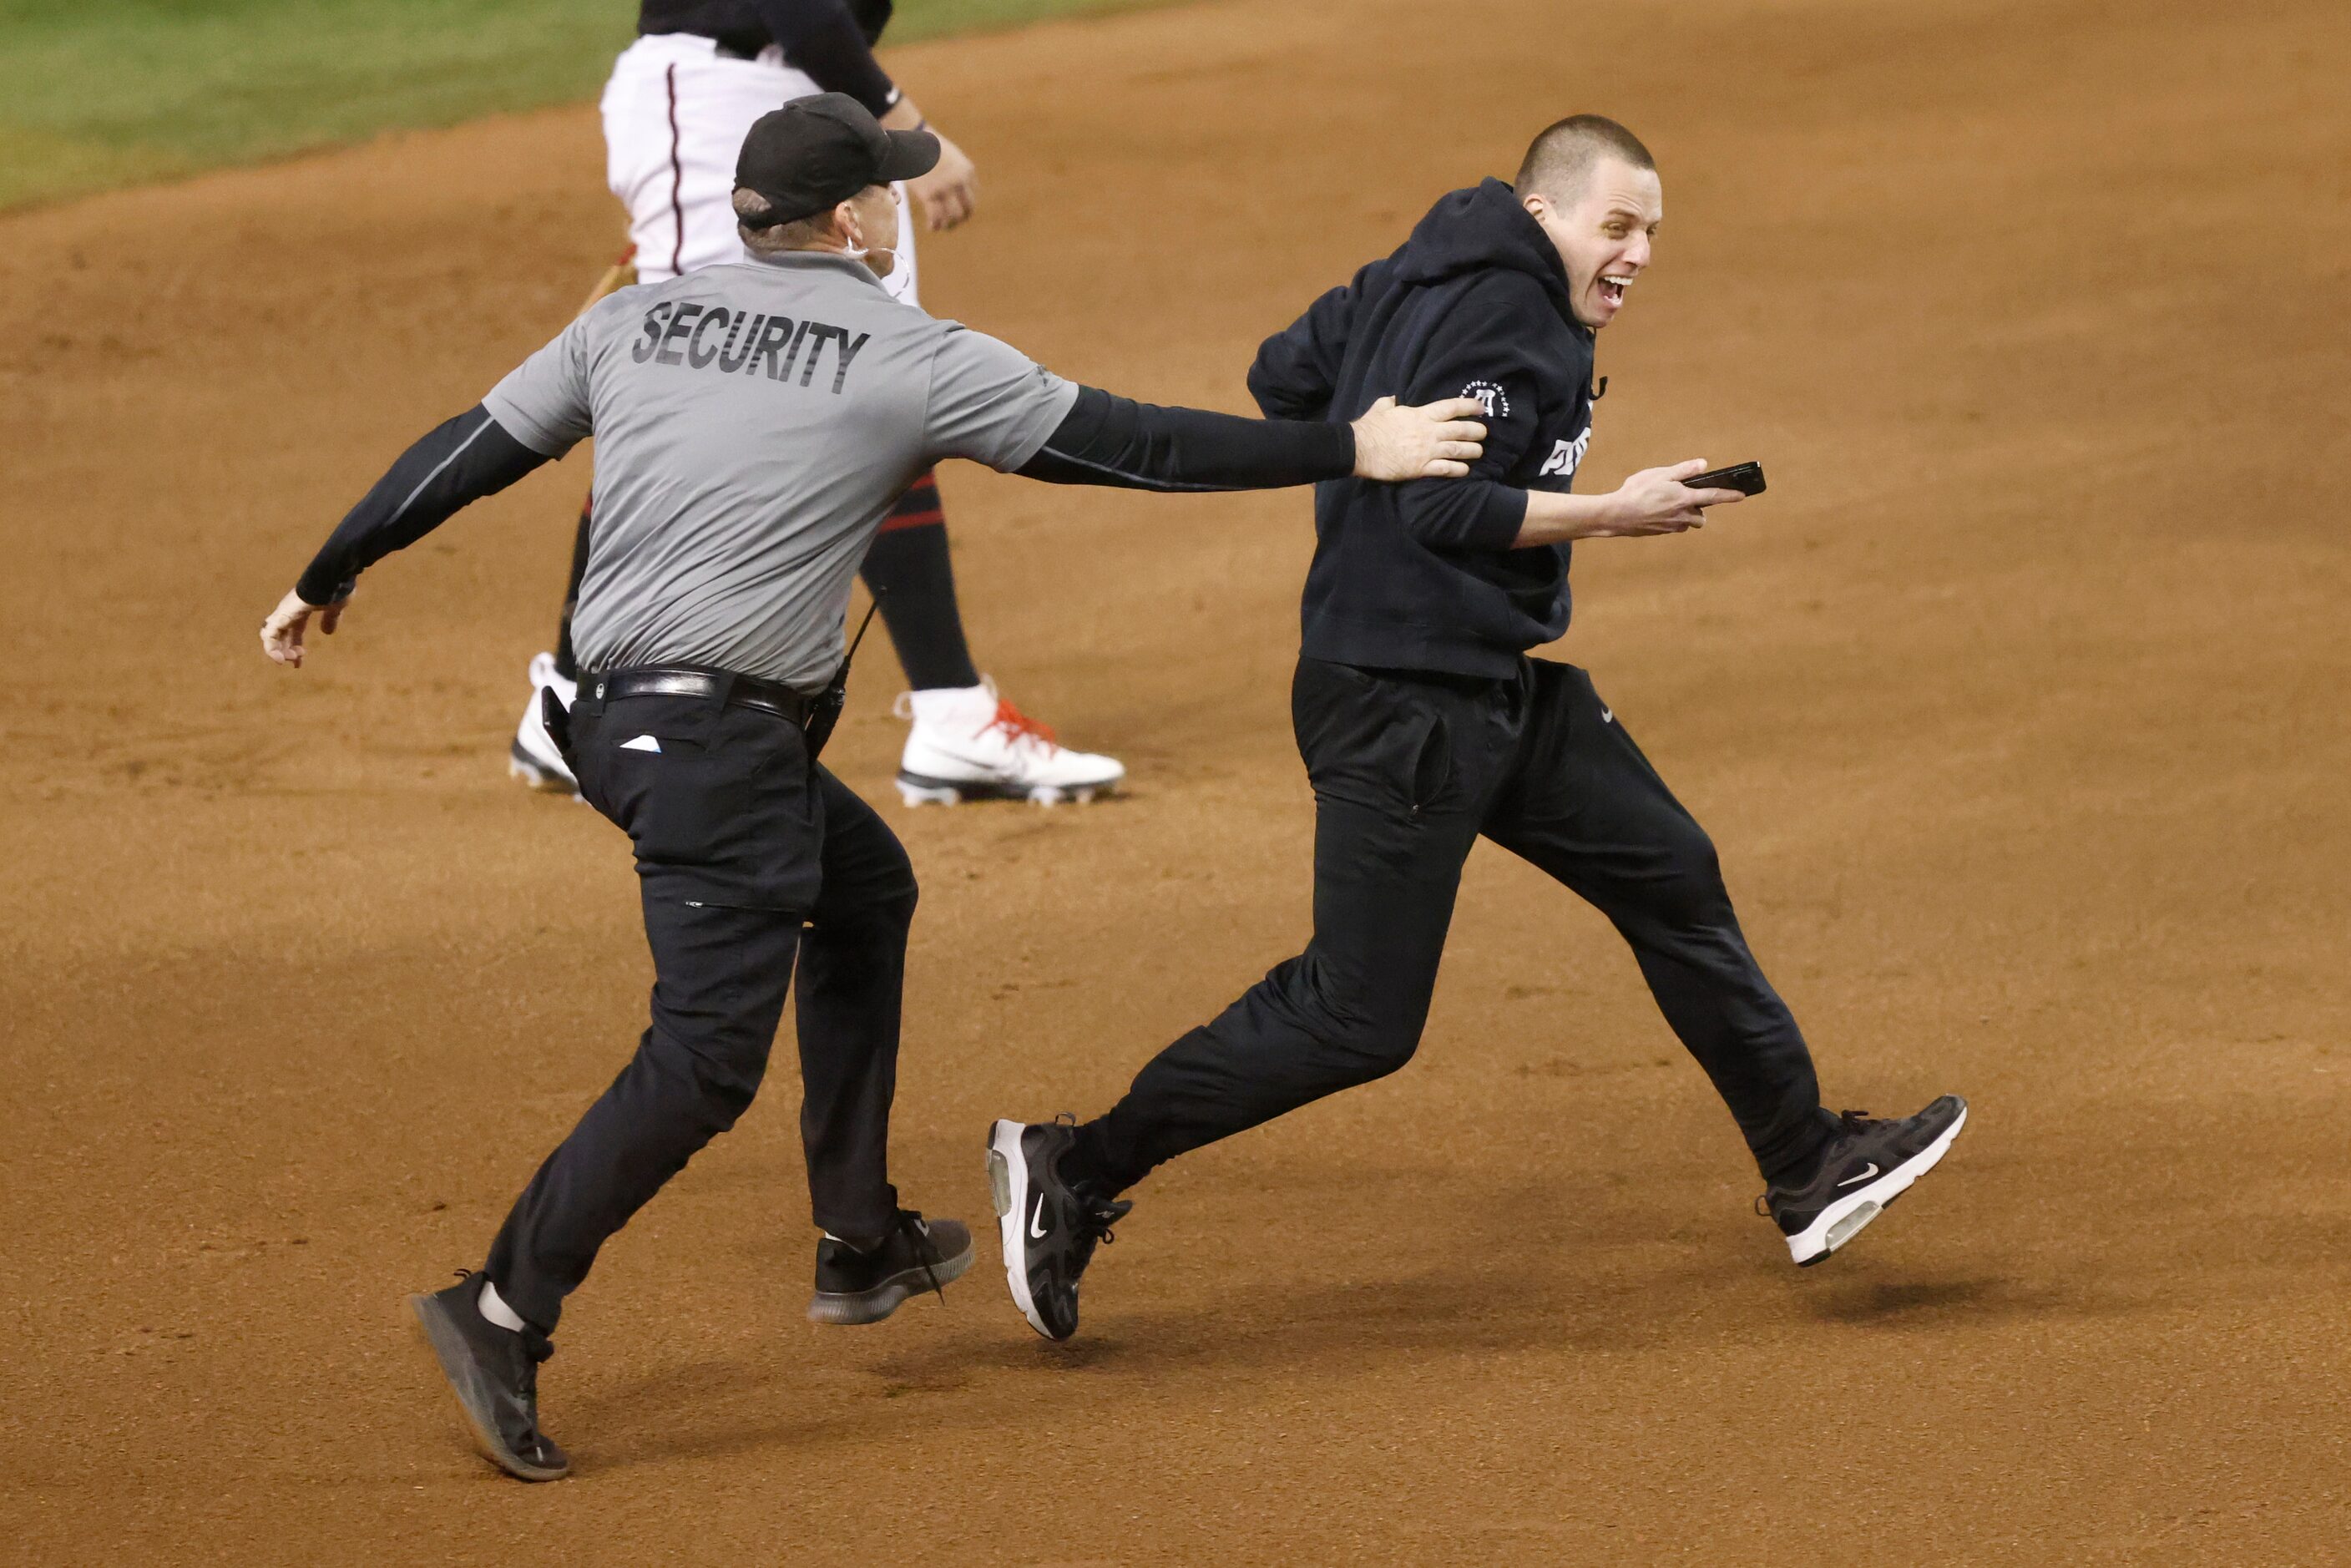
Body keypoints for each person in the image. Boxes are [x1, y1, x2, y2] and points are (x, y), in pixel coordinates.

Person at [257, 95, 1487, 1479]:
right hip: (716, 754)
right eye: (888, 191)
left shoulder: (636, 319)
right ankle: (500, 1304)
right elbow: (1131, 442)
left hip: (608, 722)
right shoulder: (911, 356)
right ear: (847, 220)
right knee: (705, 1052)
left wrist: (328, 566)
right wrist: (1352, 448)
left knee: (863, 887)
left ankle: (859, 1237)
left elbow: (467, 450)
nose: (901, 204)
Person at [987, 115, 1968, 1343]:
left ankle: (1808, 1163)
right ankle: (1075, 1164)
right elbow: (1440, 513)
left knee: (1670, 872)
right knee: (1355, 1016)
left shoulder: (1415, 270)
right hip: (1403, 702)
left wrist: (1387, 415)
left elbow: (1282, 372)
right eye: (1617, 225)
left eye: (1652, 232)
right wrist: (1616, 509)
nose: (1639, 253)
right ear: (1546, 212)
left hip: (1486, 684)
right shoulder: (1509, 315)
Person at [509, 0, 1127, 808]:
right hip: (715, 92)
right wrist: (910, 126)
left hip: (787, 97)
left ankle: (565, 696)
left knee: (869, 364)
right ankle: (946, 711)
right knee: (759, 385)